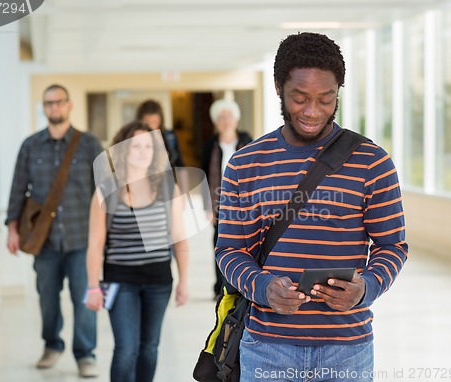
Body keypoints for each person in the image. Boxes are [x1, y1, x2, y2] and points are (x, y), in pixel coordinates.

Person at [215, 32, 408, 381]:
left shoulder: (372, 162)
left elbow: (392, 246)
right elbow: (229, 250)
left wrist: (366, 287)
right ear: (278, 88)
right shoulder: (245, 165)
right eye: (300, 98)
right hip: (267, 346)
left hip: (346, 348)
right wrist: (262, 287)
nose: (312, 111)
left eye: (325, 99)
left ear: (338, 92)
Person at [5, 84, 103, 377]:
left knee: (85, 299)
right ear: (44, 108)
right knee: (47, 299)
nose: (54, 108)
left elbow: (103, 192)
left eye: (59, 102)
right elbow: (17, 188)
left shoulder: (89, 144)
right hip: (44, 241)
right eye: (48, 103)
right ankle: (52, 345)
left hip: (81, 240)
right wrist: (12, 228)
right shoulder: (30, 145)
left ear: (69, 105)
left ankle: (86, 354)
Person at [85, 121, 189, 382]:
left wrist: (184, 281)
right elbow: (96, 244)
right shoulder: (105, 191)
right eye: (135, 146)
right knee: (126, 349)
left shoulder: (168, 189)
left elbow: (179, 239)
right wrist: (92, 286)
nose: (142, 151)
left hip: (158, 281)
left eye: (148, 146)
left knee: (149, 348)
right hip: (120, 281)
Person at [201, 99, 252, 299]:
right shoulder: (210, 145)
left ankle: (242, 284)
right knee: (220, 245)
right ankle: (220, 287)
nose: (226, 121)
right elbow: (203, 176)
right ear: (216, 121)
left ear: (236, 119)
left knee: (247, 245)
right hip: (220, 203)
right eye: (221, 117)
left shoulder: (247, 140)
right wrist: (207, 207)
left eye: (229, 116)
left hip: (245, 203)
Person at [135, 99, 184, 168]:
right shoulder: (135, 139)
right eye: (147, 123)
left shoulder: (170, 136)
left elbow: (180, 163)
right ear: (140, 121)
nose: (151, 127)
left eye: (155, 122)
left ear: (160, 120)